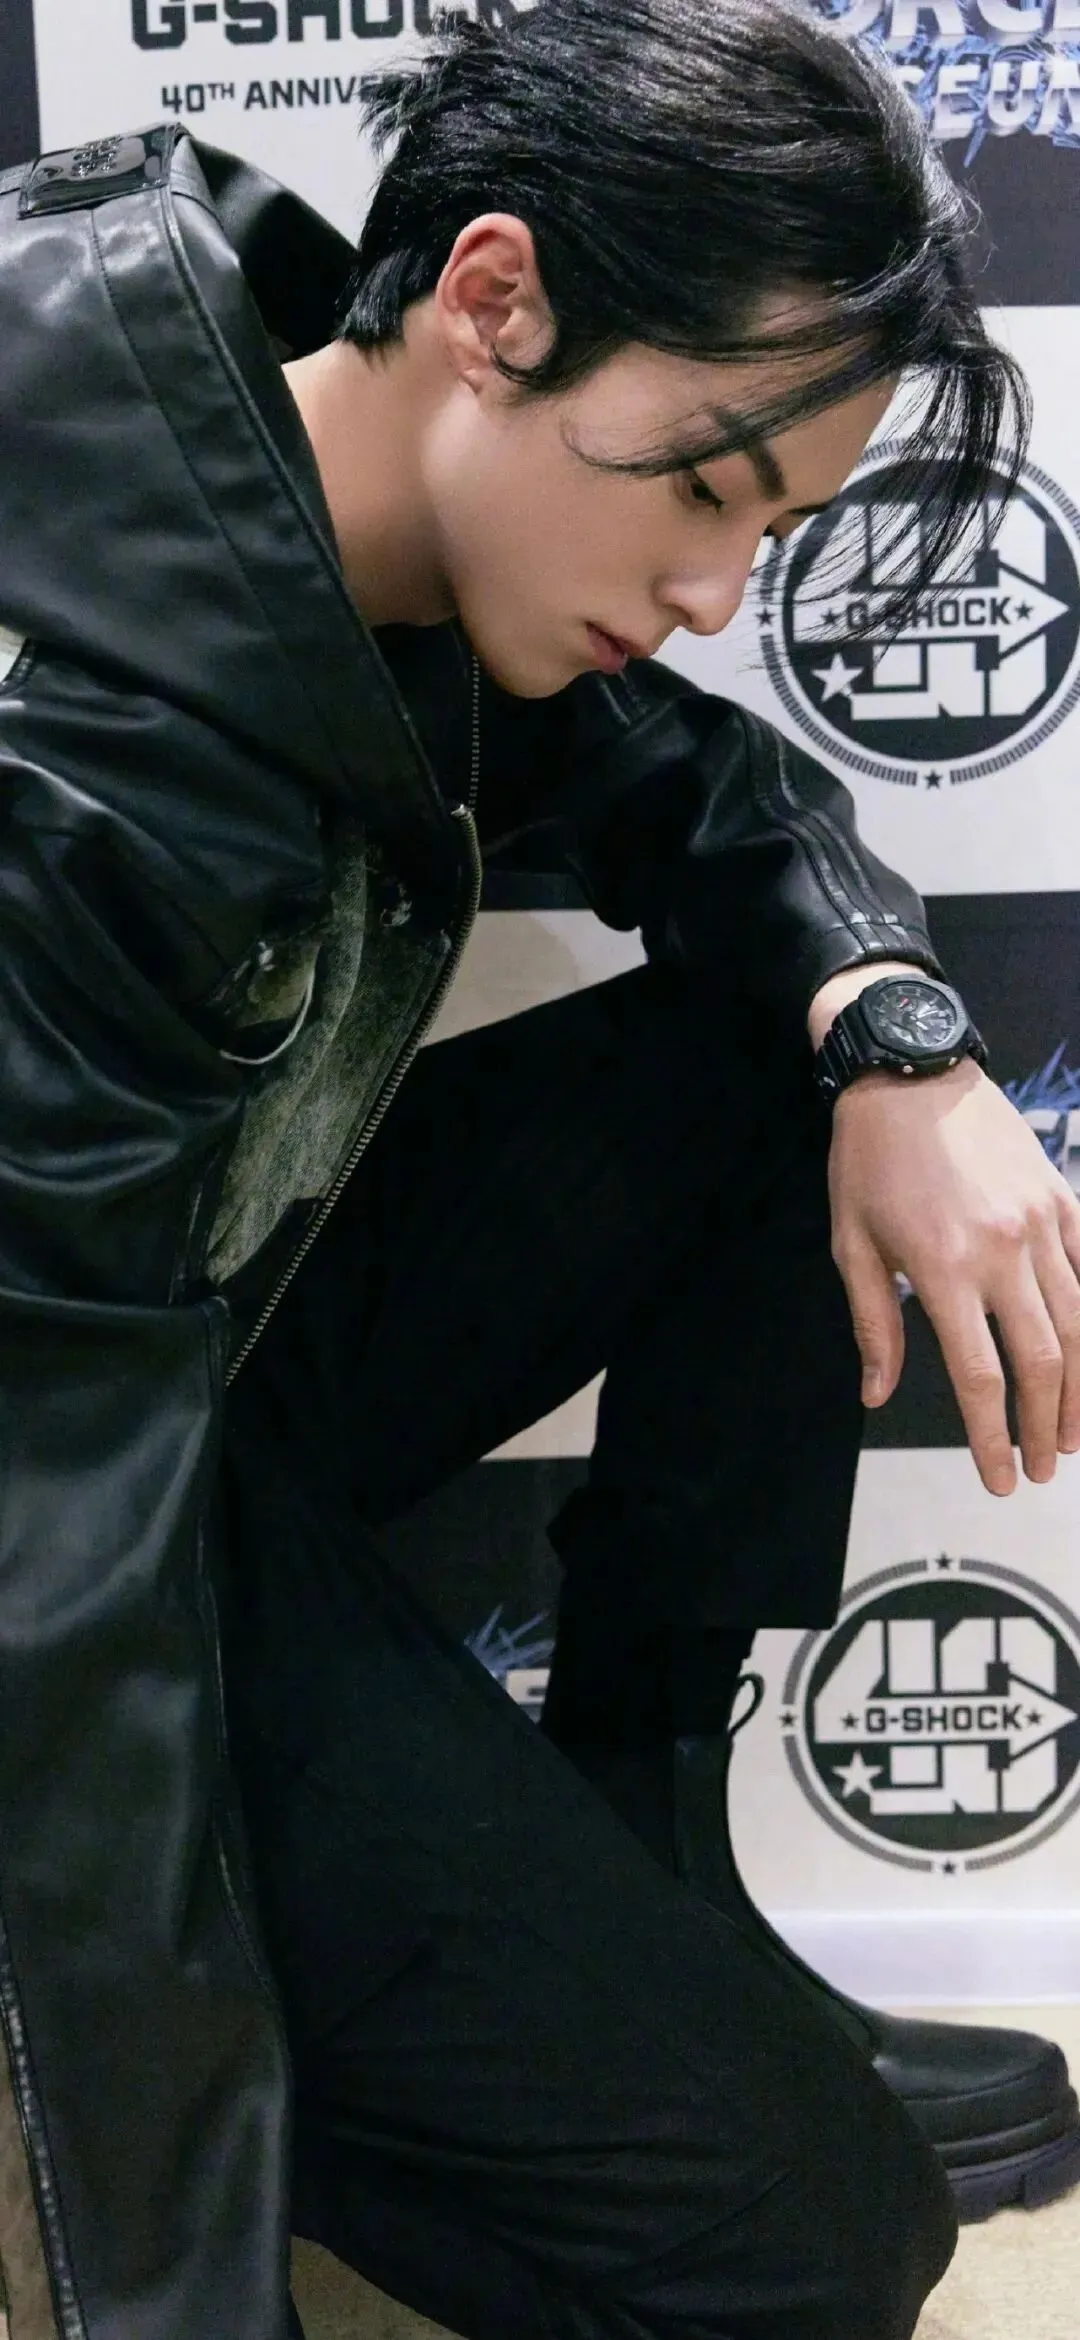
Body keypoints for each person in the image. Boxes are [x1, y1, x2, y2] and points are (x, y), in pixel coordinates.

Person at [1, 2, 1079, 2335]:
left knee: (776, 1056)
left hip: (176, 1347)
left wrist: (897, 1032)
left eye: (765, 530)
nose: (715, 594)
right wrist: (163, 2270)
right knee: (815, 2250)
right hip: (54, 1529)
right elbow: (55, 1593)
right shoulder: (67, 756)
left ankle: (643, 1866)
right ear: (495, 297)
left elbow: (694, 783)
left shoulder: (298, 439)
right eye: (704, 496)